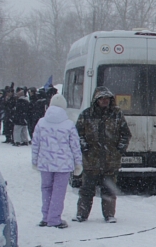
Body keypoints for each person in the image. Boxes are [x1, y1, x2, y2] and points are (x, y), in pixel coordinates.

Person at [73, 86, 131, 223]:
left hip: (110, 161)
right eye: (102, 98)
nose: (105, 101)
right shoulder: (86, 115)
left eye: (107, 98)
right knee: (86, 190)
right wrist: (85, 147)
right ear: (96, 100)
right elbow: (77, 134)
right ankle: (82, 214)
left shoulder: (117, 115)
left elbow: (126, 134)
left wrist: (119, 149)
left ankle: (109, 215)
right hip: (91, 161)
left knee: (109, 190)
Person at [31, 94, 83, 228]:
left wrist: (34, 160)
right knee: (58, 191)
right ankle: (54, 218)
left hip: (45, 162)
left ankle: (45, 217)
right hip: (63, 164)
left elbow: (35, 143)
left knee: (46, 189)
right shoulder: (69, 124)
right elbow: (75, 146)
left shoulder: (41, 123)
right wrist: (78, 163)